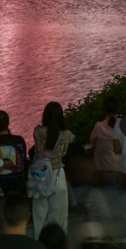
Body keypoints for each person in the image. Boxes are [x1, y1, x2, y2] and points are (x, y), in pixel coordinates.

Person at [29, 103, 75, 240]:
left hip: (40, 176)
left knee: (39, 217)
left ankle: (39, 248)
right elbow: (65, 151)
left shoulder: (37, 131)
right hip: (57, 175)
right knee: (59, 218)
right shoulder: (66, 135)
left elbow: (36, 150)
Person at [0, 111, 30, 202]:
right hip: (19, 188)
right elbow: (24, 162)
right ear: (8, 123)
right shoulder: (20, 140)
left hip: (0, 191)